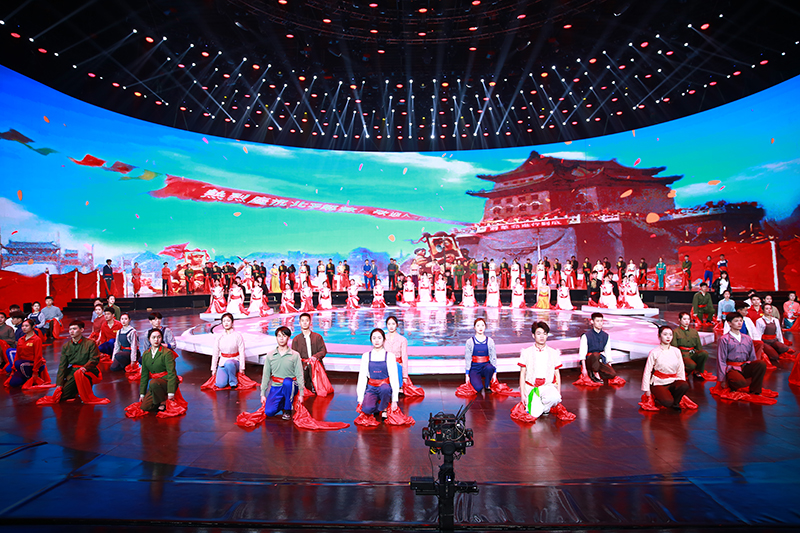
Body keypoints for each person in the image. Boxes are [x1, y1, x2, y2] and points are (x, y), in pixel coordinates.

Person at [519, 321, 569, 418]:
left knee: (555, 398)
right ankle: (540, 406)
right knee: (534, 414)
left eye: (544, 333)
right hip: (531, 387)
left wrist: (558, 392)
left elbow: (557, 374)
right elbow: (522, 374)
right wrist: (522, 395)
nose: (542, 336)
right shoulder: (526, 352)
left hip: (547, 386)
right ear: (533, 335)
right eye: (539, 334)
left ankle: (544, 407)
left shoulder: (553, 352)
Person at [53, 320, 105, 402]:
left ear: (82, 330)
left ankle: (79, 389)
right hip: (73, 371)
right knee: (61, 395)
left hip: (87, 370)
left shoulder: (90, 343)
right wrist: (59, 384)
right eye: (70, 329)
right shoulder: (66, 346)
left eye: (74, 329)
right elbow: (62, 365)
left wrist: (84, 368)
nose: (71, 331)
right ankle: (76, 389)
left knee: (66, 393)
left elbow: (94, 359)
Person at [642, 326, 690, 409]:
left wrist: (681, 382)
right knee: (667, 402)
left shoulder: (676, 351)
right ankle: (660, 396)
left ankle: (676, 403)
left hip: (672, 380)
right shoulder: (654, 352)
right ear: (659, 336)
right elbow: (647, 371)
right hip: (658, 382)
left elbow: (680, 369)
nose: (668, 337)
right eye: (665, 334)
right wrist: (647, 390)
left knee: (684, 385)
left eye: (670, 335)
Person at [717, 313, 767, 395]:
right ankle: (731, 384)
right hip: (732, 368)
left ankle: (755, 390)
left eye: (741, 321)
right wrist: (722, 379)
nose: (739, 323)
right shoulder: (724, 339)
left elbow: (752, 357)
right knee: (740, 382)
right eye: (736, 321)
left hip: (744, 366)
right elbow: (721, 360)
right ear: (729, 323)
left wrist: (753, 368)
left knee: (760, 364)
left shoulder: (747, 338)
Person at [261, 326, 304, 420]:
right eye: (279, 336)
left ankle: (288, 409)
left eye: (284, 336)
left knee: (287, 382)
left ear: (288, 338)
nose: (281, 338)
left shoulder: (295, 355)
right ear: (276, 337)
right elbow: (266, 375)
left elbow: (299, 374)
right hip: (276, 386)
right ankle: (283, 403)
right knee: (269, 412)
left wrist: (301, 393)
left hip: (291, 384)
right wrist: (263, 393)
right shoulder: (270, 355)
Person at [356, 328, 400, 419]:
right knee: (367, 409)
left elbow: (394, 377)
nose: (377, 340)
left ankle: (384, 408)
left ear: (384, 340)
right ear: (371, 340)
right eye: (374, 338)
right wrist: (360, 399)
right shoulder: (366, 356)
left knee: (385, 389)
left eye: (379, 338)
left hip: (384, 386)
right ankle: (376, 406)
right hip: (371, 387)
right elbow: (362, 377)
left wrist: (395, 400)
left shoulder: (390, 356)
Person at [138, 329, 178, 412]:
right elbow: (144, 375)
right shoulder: (146, 354)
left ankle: (163, 402)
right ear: (149, 339)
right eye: (153, 337)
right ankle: (159, 398)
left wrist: (171, 393)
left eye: (159, 337)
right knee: (144, 407)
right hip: (155, 384)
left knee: (153, 383)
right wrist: (142, 394)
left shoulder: (167, 353)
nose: (156, 340)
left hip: (166, 381)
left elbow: (172, 373)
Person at [291, 313, 328, 394]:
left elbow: (323, 351)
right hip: (302, 365)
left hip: (315, 365)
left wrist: (315, 357)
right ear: (299, 323)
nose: (304, 323)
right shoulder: (296, 339)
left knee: (312, 366)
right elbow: (293, 355)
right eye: (302, 321)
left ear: (310, 322)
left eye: (307, 320)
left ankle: (315, 386)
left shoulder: (317, 337)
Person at [671, 312, 715, 380]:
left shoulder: (694, 332)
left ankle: (698, 371)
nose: (686, 321)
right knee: (691, 365)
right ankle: (685, 372)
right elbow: (674, 347)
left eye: (688, 319)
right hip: (683, 354)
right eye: (684, 319)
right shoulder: (675, 332)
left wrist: (699, 352)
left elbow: (698, 346)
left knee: (704, 353)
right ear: (679, 320)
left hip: (693, 352)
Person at [210, 313, 246, 388]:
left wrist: (242, 367)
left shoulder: (237, 336)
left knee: (229, 363)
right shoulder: (219, 337)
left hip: (235, 361)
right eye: (224, 321)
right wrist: (213, 368)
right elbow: (215, 353)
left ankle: (233, 382)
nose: (226, 323)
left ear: (232, 322)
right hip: (223, 362)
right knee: (221, 384)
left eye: (228, 321)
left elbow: (242, 352)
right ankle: (228, 375)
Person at [579, 313, 617, 382]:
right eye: (597, 321)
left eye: (601, 321)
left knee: (612, 374)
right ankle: (594, 373)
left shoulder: (605, 335)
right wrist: (584, 368)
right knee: (595, 355)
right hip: (589, 360)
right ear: (592, 322)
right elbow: (582, 353)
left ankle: (596, 372)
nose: (600, 323)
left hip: (599, 359)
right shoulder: (586, 335)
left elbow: (608, 351)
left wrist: (609, 366)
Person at [7, 319, 45, 387]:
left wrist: (35, 371)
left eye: (26, 326)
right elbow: (18, 355)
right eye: (23, 326)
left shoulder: (36, 339)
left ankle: (31, 376)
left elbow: (38, 356)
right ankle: (26, 377)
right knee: (13, 383)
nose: (24, 328)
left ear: (32, 327)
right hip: (22, 364)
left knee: (18, 363)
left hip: (32, 364)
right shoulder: (20, 339)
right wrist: (13, 369)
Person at [464, 318, 497, 393]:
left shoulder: (490, 341)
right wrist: (467, 375)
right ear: (474, 327)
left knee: (489, 367)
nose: (480, 327)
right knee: (478, 388)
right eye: (478, 325)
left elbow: (493, 357)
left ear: (485, 327)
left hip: (486, 366)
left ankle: (487, 384)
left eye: (482, 325)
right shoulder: (470, 341)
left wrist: (495, 373)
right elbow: (468, 358)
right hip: (475, 368)